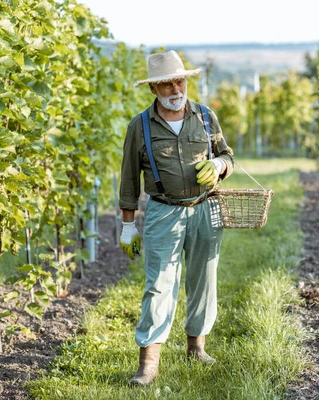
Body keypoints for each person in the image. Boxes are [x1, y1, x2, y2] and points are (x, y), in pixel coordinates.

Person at [118, 50, 234, 386]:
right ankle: (149, 362)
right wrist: (128, 226)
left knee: (203, 279)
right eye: (166, 84)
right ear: (153, 89)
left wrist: (219, 166)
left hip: (205, 208)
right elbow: (128, 180)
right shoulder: (139, 127)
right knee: (159, 285)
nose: (175, 89)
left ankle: (197, 347)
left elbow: (226, 154)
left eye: (179, 81)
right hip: (163, 211)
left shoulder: (206, 117)